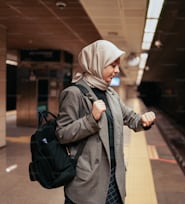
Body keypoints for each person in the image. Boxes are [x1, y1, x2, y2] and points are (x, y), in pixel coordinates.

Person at [55, 40, 156, 204]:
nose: (117, 71)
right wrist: (90, 120)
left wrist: (143, 121)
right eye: (112, 65)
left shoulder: (111, 94)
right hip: (88, 183)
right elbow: (62, 133)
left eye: (117, 66)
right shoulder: (74, 94)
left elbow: (129, 117)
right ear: (97, 63)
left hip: (114, 180)